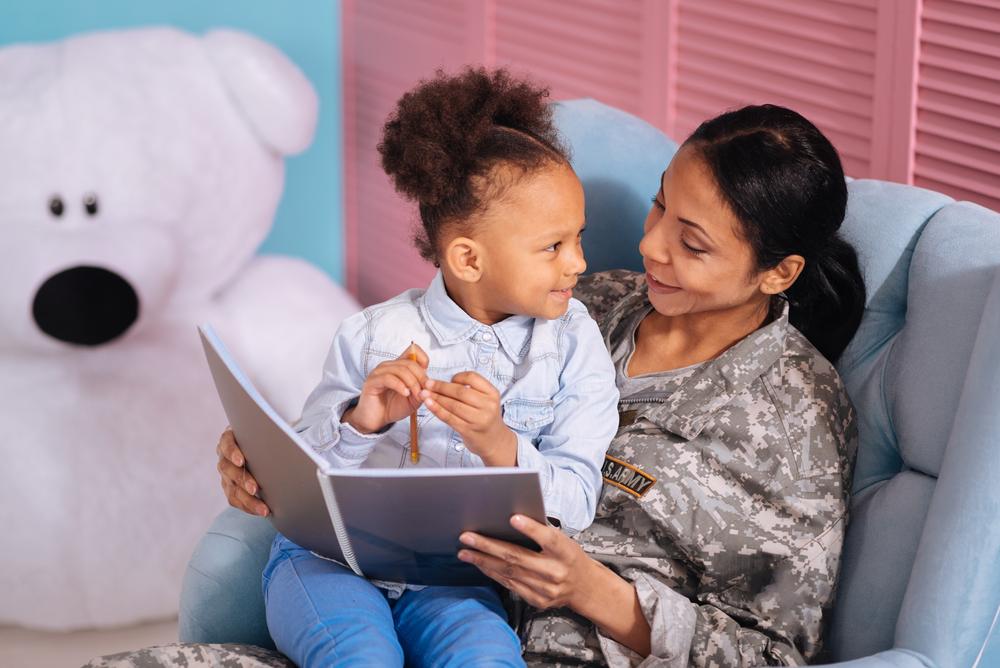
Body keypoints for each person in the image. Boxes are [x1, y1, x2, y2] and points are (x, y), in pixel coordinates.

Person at [218, 101, 864, 666]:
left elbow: (776, 655)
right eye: (659, 206)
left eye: (691, 244)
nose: (650, 248)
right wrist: (268, 457)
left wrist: (597, 593)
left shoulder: (796, 417)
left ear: (778, 273)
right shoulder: (584, 305)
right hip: (387, 596)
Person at [233, 68, 620, 668]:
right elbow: (301, 490)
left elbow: (578, 497)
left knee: (487, 658)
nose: (580, 262)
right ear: (468, 258)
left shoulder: (573, 343)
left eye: (579, 238)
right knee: (359, 655)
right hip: (326, 563)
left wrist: (499, 444)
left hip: (453, 577)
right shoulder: (372, 335)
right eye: (554, 246)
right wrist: (364, 421)